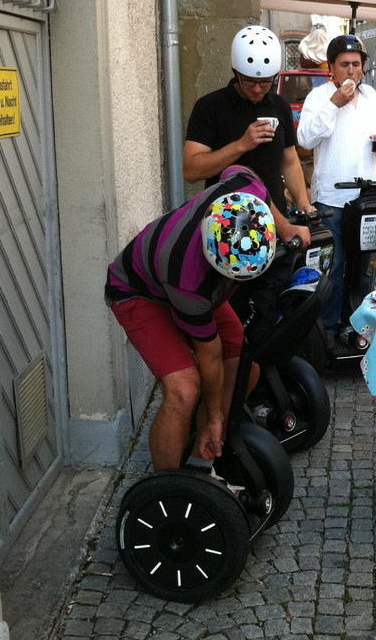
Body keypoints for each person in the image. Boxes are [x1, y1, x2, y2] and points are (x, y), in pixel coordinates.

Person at [106, 166, 299, 471]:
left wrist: (285, 225)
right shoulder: (188, 281)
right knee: (184, 389)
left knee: (246, 370)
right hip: (137, 292)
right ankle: (169, 490)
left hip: (199, 284)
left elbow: (243, 170)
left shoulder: (247, 189)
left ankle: (199, 459)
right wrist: (215, 416)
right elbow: (210, 355)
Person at [296, 34, 376, 345]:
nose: (351, 71)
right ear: (332, 69)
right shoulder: (319, 98)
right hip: (331, 199)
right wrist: (334, 105)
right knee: (332, 267)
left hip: (365, 200)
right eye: (344, 65)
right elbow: (305, 141)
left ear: (363, 68)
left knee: (364, 268)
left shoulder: (372, 99)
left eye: (356, 65)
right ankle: (326, 331)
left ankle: (358, 328)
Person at [183, 25, 314, 219]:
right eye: (249, 81)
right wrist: (241, 145)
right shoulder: (210, 106)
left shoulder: (280, 106)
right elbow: (191, 171)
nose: (258, 90)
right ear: (236, 73)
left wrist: (303, 203)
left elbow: (290, 160)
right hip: (225, 222)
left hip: (274, 220)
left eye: (266, 82)